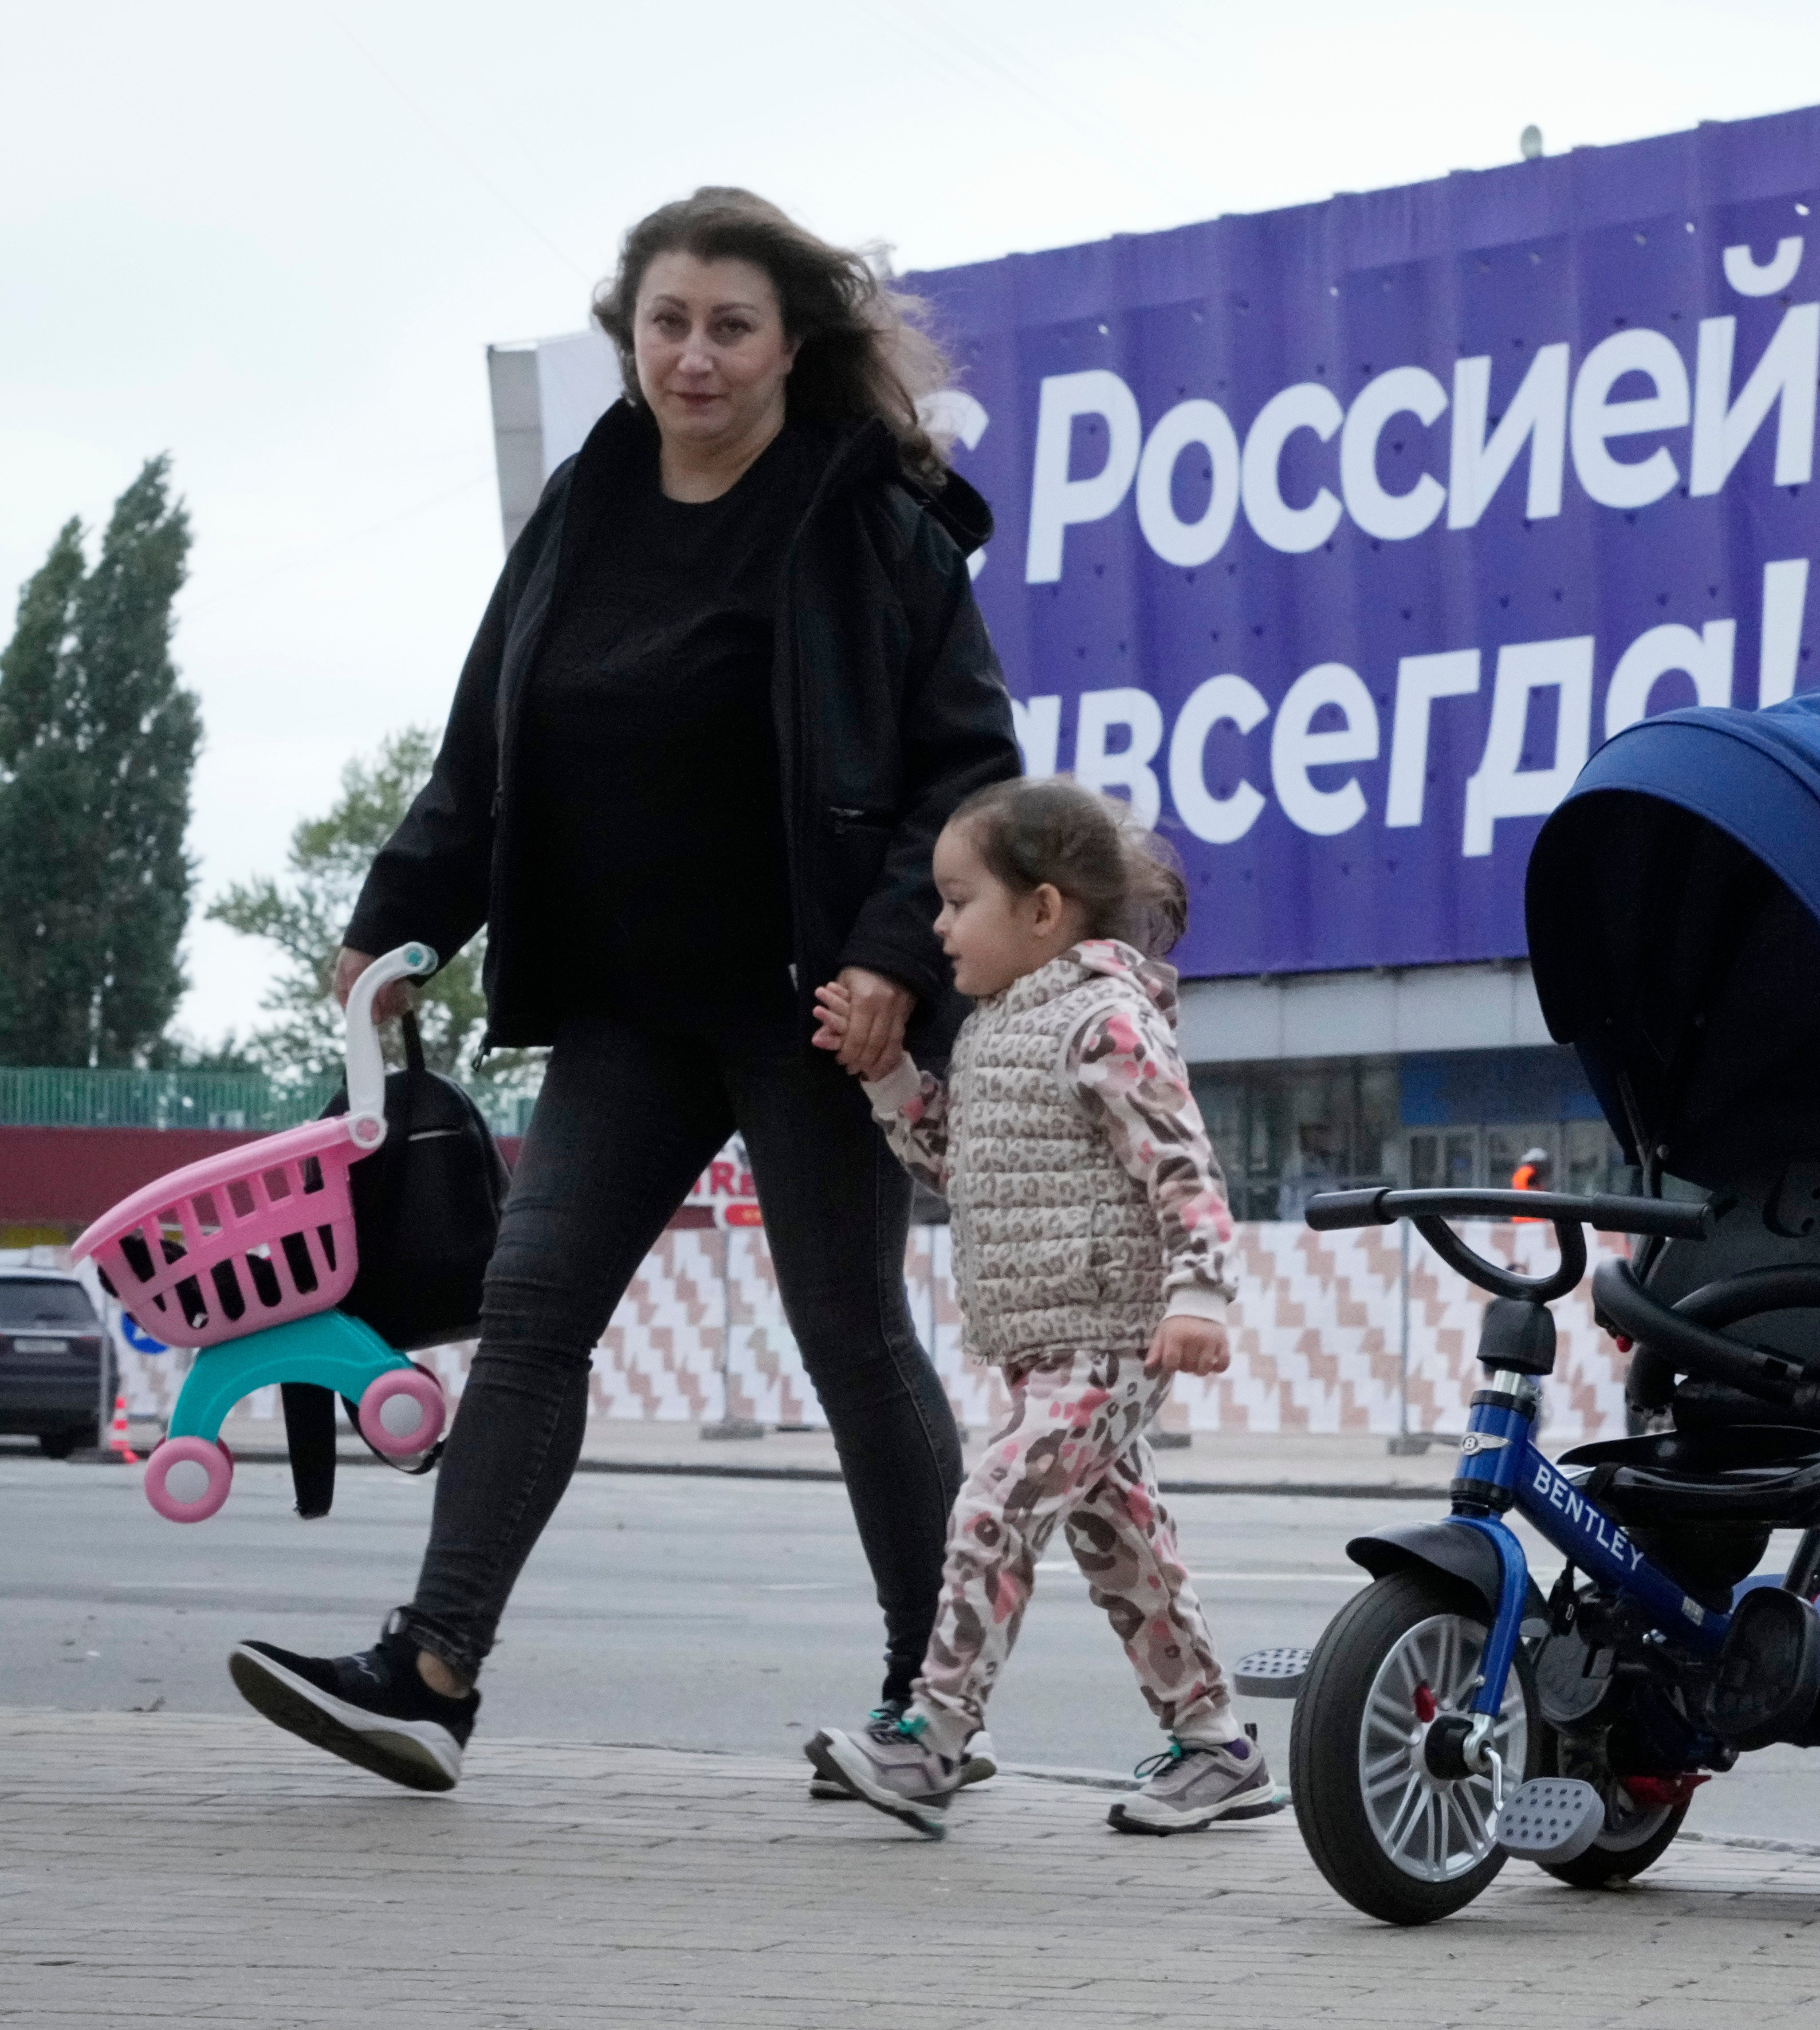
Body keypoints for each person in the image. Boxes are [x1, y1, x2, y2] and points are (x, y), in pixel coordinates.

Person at [228, 189, 1019, 1792]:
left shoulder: (870, 519)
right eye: (668, 322)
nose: (695, 355)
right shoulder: (586, 503)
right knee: (530, 1313)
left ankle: (927, 1701)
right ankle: (432, 1671)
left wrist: (885, 957)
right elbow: (487, 746)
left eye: (731, 325)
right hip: (624, 1002)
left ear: (793, 341)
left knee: (850, 1335)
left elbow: (966, 773)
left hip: (808, 1010)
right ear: (629, 337)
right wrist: (393, 927)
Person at [805, 776, 1279, 1839]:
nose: (936, 926)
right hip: (1047, 1338)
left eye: (956, 899)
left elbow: (1185, 1169)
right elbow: (959, 1166)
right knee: (1125, 1545)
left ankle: (932, 1737)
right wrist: (887, 1079)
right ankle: (1216, 1746)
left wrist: (1200, 1293)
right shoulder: (994, 1031)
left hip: (1114, 1330)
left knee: (993, 1504)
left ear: (1043, 910)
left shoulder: (1107, 1021)